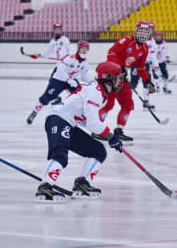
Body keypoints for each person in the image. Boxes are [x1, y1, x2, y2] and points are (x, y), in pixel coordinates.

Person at [35, 61, 124, 202]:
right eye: (118, 77)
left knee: (98, 151)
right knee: (60, 154)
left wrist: (104, 134)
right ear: (108, 77)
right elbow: (93, 123)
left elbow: (87, 121)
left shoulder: (100, 94)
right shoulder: (96, 92)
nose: (121, 81)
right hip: (58, 119)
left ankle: (83, 183)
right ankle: (45, 186)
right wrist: (110, 136)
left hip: (69, 123)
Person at [96, 20, 156, 142]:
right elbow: (111, 53)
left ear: (149, 34)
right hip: (111, 75)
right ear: (136, 31)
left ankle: (119, 131)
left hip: (122, 77)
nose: (142, 35)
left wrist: (147, 81)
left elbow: (141, 67)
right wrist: (119, 67)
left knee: (128, 104)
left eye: (146, 32)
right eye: (141, 31)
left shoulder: (144, 48)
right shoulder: (126, 41)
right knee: (109, 104)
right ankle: (97, 130)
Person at [26, 40, 91, 124]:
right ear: (78, 49)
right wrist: (69, 80)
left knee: (80, 94)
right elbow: (60, 70)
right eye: (82, 48)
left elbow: (84, 75)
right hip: (58, 79)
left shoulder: (85, 62)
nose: (84, 51)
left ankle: (79, 116)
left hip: (71, 81)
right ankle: (34, 113)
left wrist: (92, 82)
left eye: (86, 49)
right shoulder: (70, 57)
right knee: (47, 97)